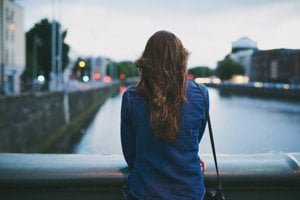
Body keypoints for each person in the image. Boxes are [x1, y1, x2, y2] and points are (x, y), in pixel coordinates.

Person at [121, 30, 209, 200]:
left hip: (146, 192)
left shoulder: (131, 98)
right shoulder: (201, 93)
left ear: (146, 61)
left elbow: (130, 154)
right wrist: (185, 157)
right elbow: (194, 139)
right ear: (182, 59)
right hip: (190, 192)